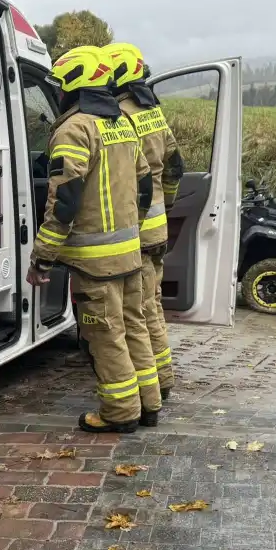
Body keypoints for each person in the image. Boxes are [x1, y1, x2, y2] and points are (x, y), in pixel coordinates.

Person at [25, 45, 161, 433]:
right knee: (134, 328)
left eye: (60, 86)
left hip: (95, 262)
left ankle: (120, 412)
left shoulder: (74, 129)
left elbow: (65, 201)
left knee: (106, 336)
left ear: (72, 86)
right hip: (130, 253)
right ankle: (149, 405)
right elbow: (145, 187)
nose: (58, 92)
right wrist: (131, 230)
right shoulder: (121, 124)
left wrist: (42, 257)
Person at [103, 43, 184, 399]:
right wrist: (168, 203)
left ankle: (156, 382)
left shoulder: (120, 114)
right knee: (153, 303)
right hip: (157, 227)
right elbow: (175, 166)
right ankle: (161, 376)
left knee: (139, 310)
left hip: (135, 231)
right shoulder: (153, 111)